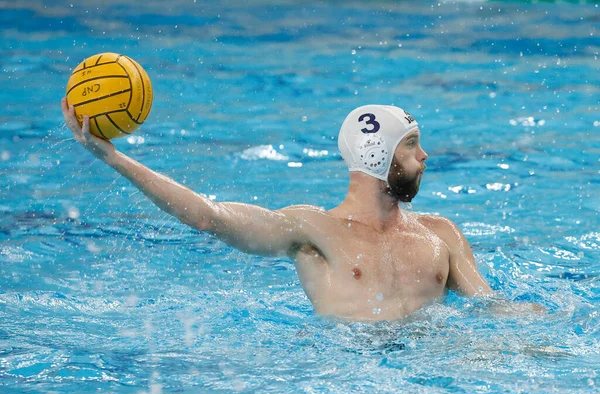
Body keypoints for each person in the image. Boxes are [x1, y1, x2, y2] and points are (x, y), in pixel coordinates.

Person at [62, 99, 493, 321]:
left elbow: (493, 310)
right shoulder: (311, 230)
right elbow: (207, 217)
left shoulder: (440, 233)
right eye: (412, 144)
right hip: (347, 373)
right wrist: (114, 159)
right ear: (379, 156)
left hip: (433, 361)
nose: (426, 156)